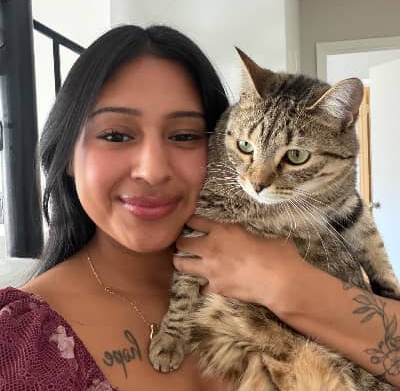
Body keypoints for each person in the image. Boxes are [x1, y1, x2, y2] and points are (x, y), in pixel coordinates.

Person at [0, 24, 398, 390]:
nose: (152, 171)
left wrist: (287, 284)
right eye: (116, 135)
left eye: (185, 135)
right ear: (67, 154)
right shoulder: (16, 344)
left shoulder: (300, 257)